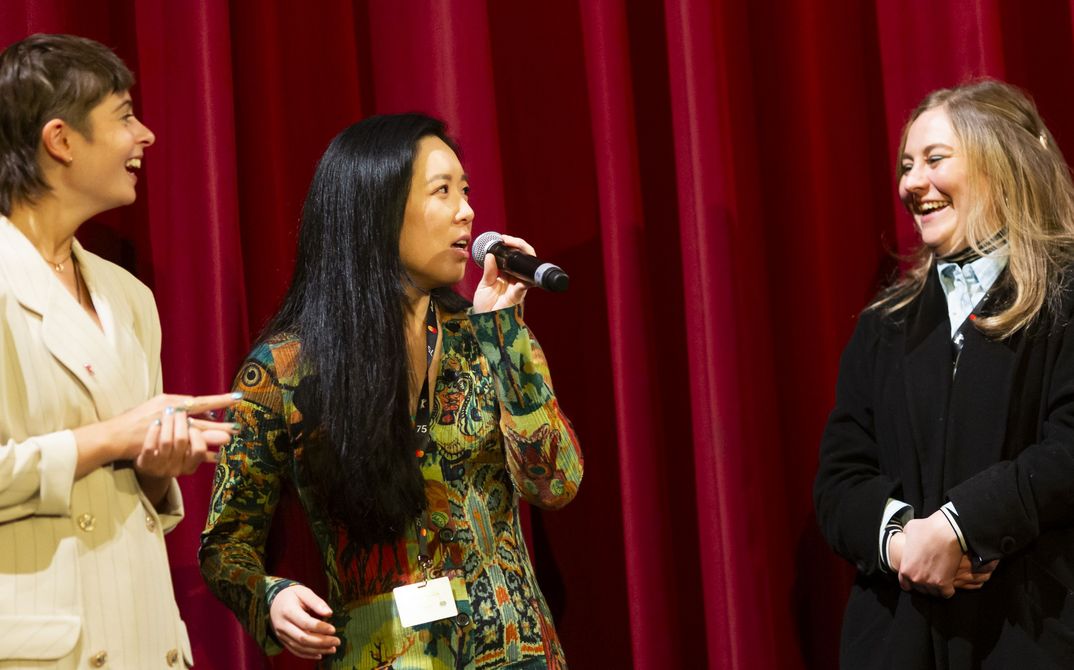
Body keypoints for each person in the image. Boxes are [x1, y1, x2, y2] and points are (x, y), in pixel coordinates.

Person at [199, 113, 583, 669]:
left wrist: (504, 338)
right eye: (442, 191)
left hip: (514, 650)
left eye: (466, 190)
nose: (467, 211)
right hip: (384, 655)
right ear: (377, 210)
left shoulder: (484, 337)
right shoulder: (283, 371)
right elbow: (225, 544)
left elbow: (557, 483)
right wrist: (270, 597)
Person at [814, 78, 1074, 669]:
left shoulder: (1065, 296)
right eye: (907, 165)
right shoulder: (886, 326)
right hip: (900, 644)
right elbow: (839, 478)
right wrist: (904, 538)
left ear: (1000, 166)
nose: (911, 183)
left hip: (1034, 635)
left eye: (935, 159)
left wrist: (962, 526)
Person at [0, 33, 239, 668]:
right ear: (61, 140)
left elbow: (134, 488)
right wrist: (112, 437)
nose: (147, 136)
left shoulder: (126, 294)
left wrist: (159, 463)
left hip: (142, 631)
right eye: (125, 116)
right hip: (50, 646)